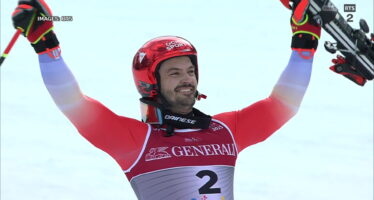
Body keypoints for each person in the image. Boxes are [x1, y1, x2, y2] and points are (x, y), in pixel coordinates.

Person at [11, 0, 321, 199]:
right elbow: (72, 103)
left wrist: (303, 46)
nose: (188, 78)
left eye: (190, 70)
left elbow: (284, 105)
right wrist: (45, 43)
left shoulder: (225, 129)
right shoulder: (135, 141)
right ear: (151, 83)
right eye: (174, 73)